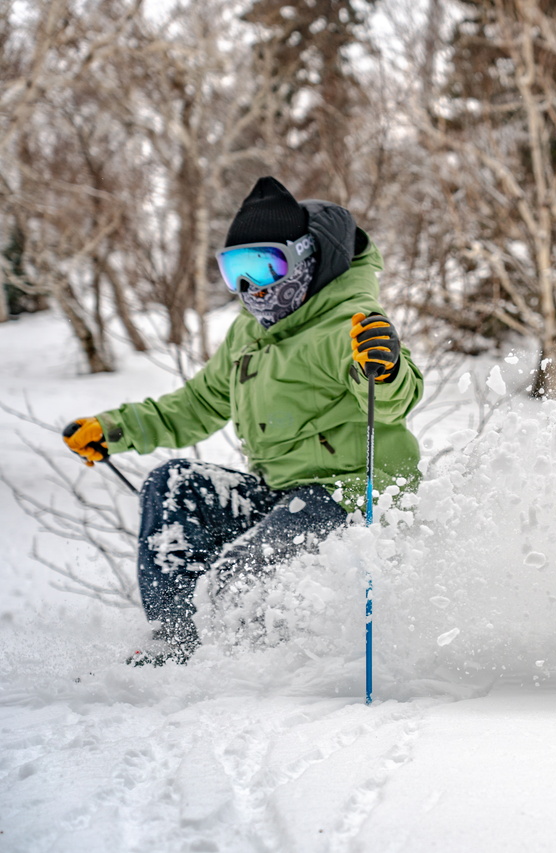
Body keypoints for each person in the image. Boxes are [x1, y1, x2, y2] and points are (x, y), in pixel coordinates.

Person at [61, 176, 423, 665]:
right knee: (175, 484)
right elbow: (196, 406)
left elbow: (395, 399)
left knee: (238, 575)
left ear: (304, 259)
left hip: (352, 497)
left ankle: (242, 668)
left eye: (264, 265)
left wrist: (383, 363)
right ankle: (177, 642)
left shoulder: (347, 323)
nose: (250, 287)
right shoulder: (248, 334)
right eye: (235, 271)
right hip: (282, 497)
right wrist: (113, 429)